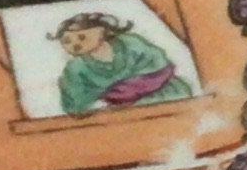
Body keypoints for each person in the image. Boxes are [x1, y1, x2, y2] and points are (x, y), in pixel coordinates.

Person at [53, 11, 182, 113]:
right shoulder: (75, 68)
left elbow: (159, 68)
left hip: (161, 95)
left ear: (101, 32)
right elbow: (75, 102)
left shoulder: (130, 43)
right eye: (67, 41)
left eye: (82, 37)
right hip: (114, 111)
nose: (75, 45)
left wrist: (122, 93)